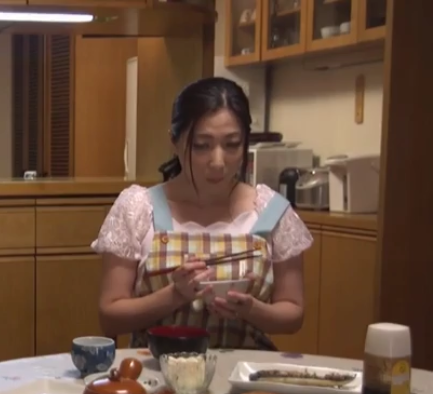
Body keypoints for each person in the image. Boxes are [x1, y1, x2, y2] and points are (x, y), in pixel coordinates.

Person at [92, 77, 312, 350]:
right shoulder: (138, 208)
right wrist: (175, 294)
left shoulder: (270, 211)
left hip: (244, 369)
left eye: (232, 144)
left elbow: (293, 313)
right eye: (201, 145)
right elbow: (110, 317)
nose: (218, 162)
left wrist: (251, 310)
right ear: (174, 141)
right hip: (156, 368)